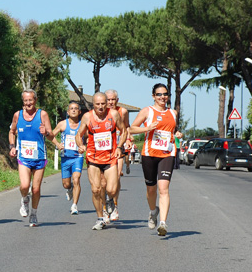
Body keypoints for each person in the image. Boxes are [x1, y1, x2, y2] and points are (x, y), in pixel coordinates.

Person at [130, 83, 182, 236]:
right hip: (149, 154)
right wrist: (146, 128)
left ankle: (163, 223)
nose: (162, 97)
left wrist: (178, 134)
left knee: (163, 189)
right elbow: (131, 128)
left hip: (167, 153)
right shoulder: (147, 111)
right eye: (159, 94)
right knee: (151, 189)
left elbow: (174, 129)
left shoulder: (173, 112)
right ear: (153, 96)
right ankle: (153, 212)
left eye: (165, 94)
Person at [76, 92, 126, 230]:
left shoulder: (114, 114)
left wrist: (120, 147)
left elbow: (124, 131)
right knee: (96, 189)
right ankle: (100, 218)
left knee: (111, 189)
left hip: (110, 157)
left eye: (103, 104)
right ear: (93, 104)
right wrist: (80, 145)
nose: (101, 107)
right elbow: (78, 135)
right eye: (97, 104)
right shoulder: (87, 117)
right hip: (93, 157)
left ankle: (110, 200)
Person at [9, 89, 55, 227]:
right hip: (24, 156)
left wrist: (45, 132)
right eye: (25, 100)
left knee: (35, 189)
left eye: (31, 100)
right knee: (24, 185)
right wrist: (12, 146)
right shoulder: (18, 115)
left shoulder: (43, 114)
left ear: (35, 100)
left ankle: (33, 214)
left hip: (39, 157)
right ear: (23, 101)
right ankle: (24, 199)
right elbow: (12, 132)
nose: (28, 103)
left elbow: (51, 135)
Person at [101, 89, 133, 221]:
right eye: (108, 100)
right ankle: (104, 208)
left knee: (117, 176)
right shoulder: (100, 113)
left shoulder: (123, 112)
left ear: (117, 100)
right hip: (103, 150)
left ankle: (114, 204)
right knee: (103, 183)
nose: (110, 102)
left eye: (113, 99)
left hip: (118, 148)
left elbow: (127, 127)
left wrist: (129, 139)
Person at [51, 101, 84, 215]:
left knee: (76, 179)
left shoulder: (83, 125)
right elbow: (50, 135)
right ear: (68, 112)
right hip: (65, 158)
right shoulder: (62, 124)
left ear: (79, 112)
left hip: (77, 157)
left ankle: (74, 205)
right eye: (71, 108)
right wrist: (58, 144)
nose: (74, 110)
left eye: (76, 108)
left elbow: (90, 138)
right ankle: (69, 190)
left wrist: (84, 146)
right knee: (66, 184)